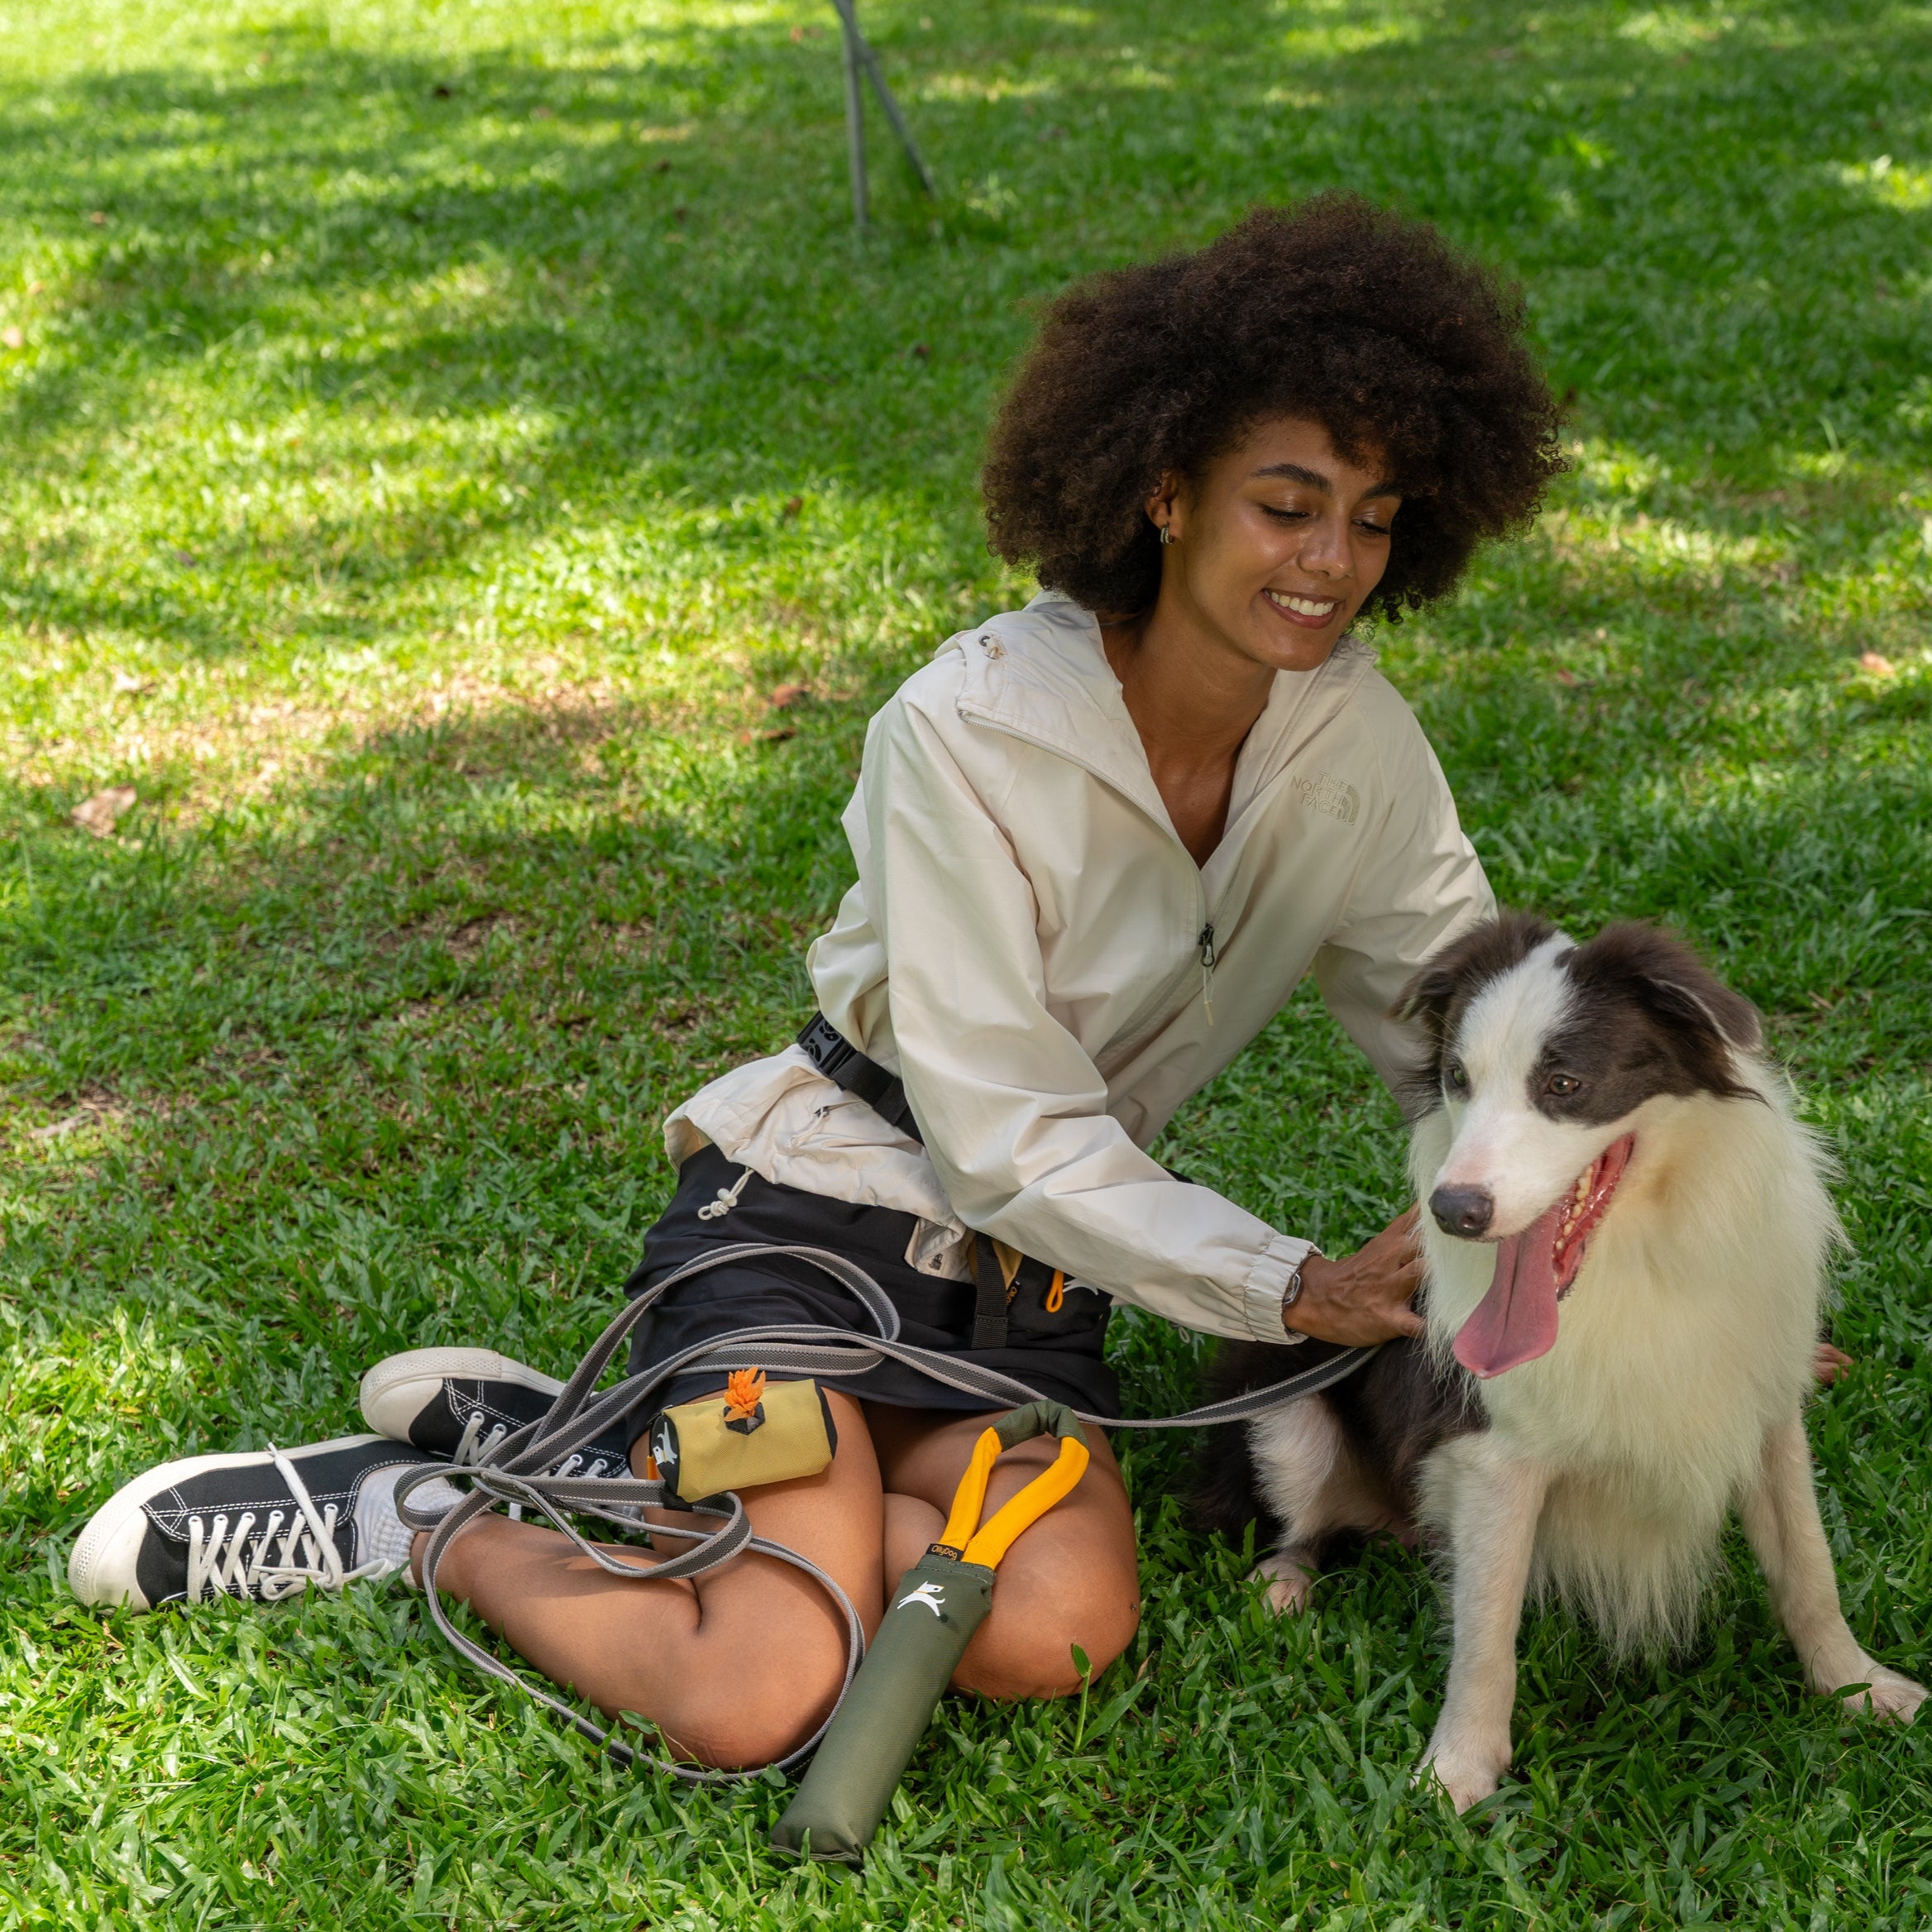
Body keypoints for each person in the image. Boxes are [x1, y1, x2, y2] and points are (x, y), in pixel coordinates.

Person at [68, 195, 1567, 1772]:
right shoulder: (971, 727)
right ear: (1166, 491)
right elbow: (1003, 1136)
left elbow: (1469, 1020)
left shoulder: (1355, 739)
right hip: (805, 1241)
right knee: (762, 1686)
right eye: (1286, 503)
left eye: (1375, 515)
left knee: (1049, 1632)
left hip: (1026, 1298)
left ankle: (633, 1461)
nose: (1333, 561)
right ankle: (431, 1515)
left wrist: (1622, 1243)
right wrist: (1287, 1284)